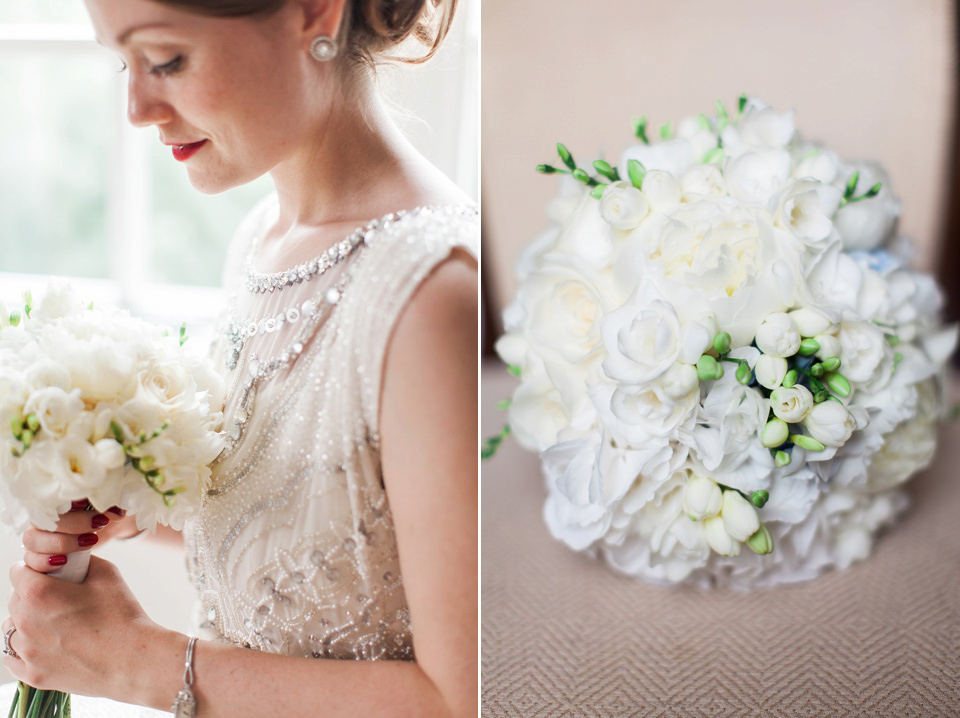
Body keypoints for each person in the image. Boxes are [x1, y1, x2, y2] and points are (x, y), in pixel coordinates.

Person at [1, 0, 478, 715]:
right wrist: (132, 502)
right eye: (120, 62)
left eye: (165, 59)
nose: (135, 106)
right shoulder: (261, 241)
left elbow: (461, 700)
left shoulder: (432, 298)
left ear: (315, 11)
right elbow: (317, 529)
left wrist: (136, 661)